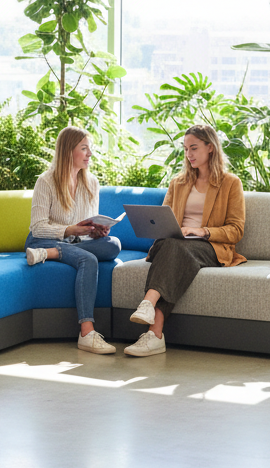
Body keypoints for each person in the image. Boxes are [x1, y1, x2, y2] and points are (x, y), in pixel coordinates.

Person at [124, 124, 246, 357]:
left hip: (209, 245)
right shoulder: (178, 183)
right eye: (185, 149)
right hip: (175, 243)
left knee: (176, 250)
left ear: (210, 148)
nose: (188, 154)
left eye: (194, 148)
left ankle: (150, 311)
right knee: (175, 247)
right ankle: (154, 334)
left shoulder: (231, 183)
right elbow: (163, 219)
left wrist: (203, 231)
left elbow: (236, 230)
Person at [25, 126, 122, 354]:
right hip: (42, 241)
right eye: (84, 148)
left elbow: (85, 228)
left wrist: (94, 231)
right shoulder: (46, 181)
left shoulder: (92, 183)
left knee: (113, 245)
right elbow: (38, 227)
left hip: (73, 244)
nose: (90, 154)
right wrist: (72, 230)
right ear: (69, 150)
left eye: (90, 149)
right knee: (88, 260)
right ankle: (87, 333)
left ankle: (52, 255)